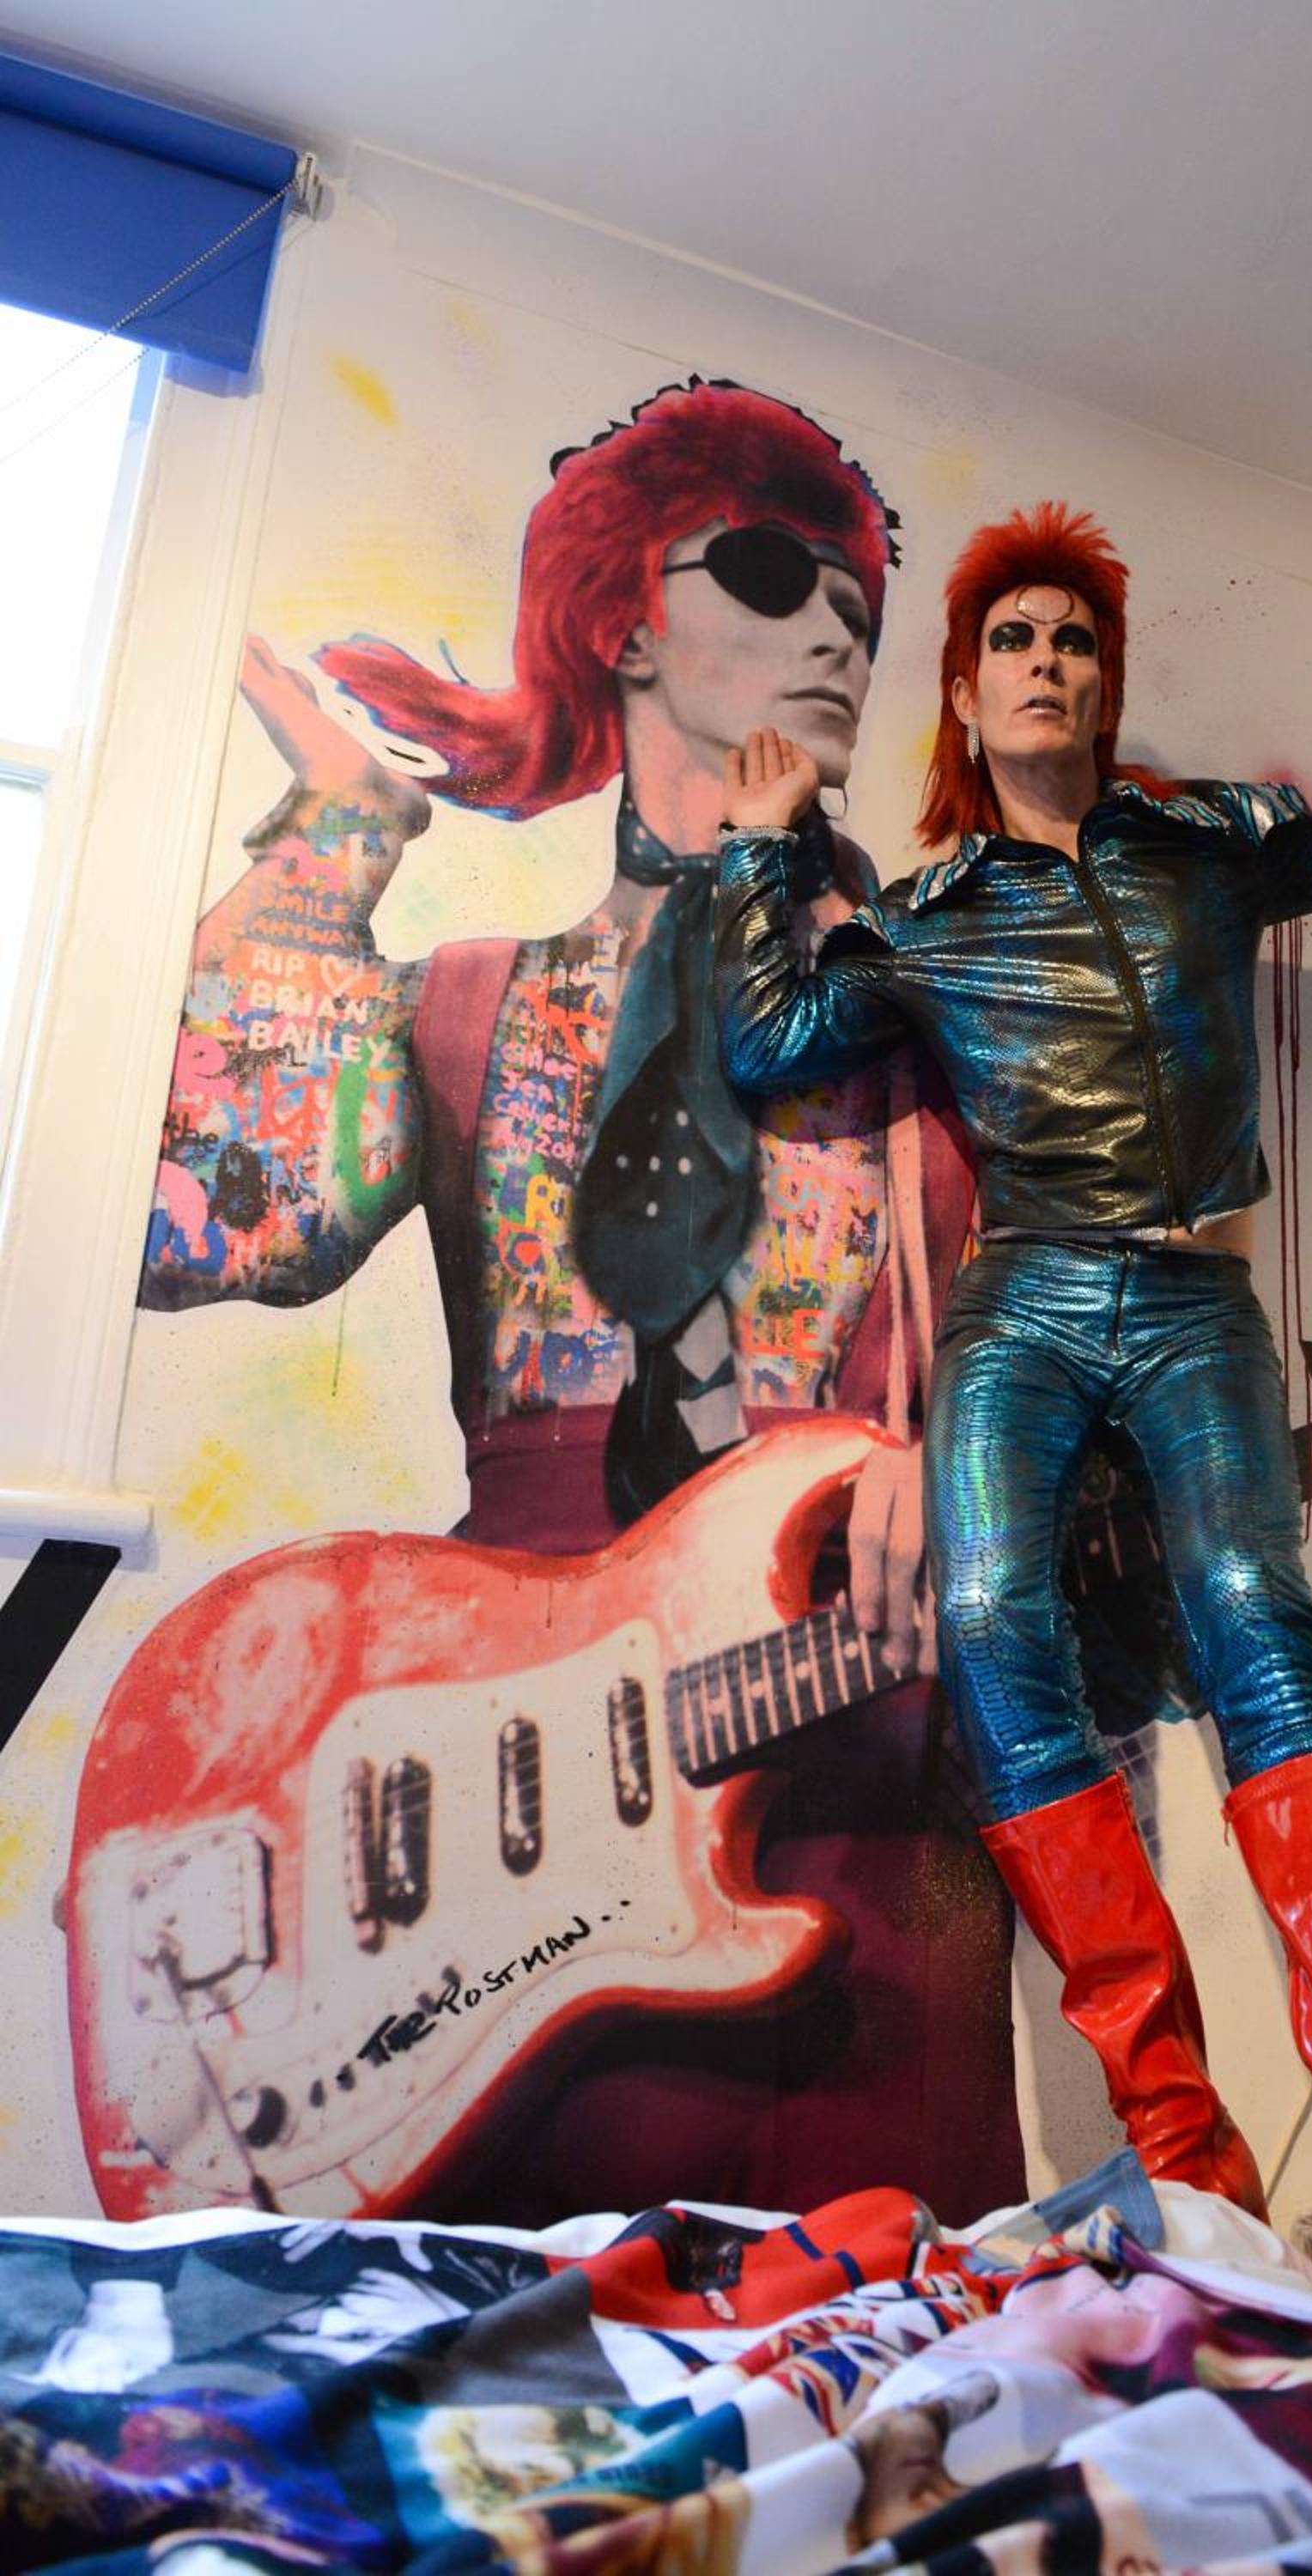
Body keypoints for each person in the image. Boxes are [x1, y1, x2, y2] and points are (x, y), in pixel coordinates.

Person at [713, 501, 1312, 2323]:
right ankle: (1189, 2159)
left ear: (1105, 686)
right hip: (1022, 1302)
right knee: (994, 1624)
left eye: (1074, 641)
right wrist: (761, 855)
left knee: (1254, 1605)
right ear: (966, 693)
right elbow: (768, 1045)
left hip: (1190, 1299)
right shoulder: (929, 919)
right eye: (1013, 642)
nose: (1047, 665)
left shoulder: (1211, 842)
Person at [140, 382, 1026, 2224]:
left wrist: (969, 1443)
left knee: (882, 2369)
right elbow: (205, 1226)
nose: (834, 634)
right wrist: (335, 833)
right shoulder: (465, 1002)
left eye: (858, 607)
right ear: (625, 621)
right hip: (516, 1843)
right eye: (772, 573)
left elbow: (1099, 1338)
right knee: (518, 2368)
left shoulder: (943, 1034)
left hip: (870, 1817)